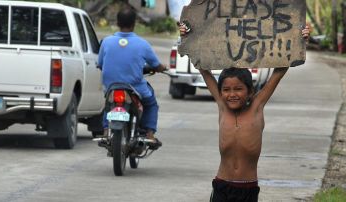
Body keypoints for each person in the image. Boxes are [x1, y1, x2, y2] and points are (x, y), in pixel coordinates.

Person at [179, 23, 310, 201]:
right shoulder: (222, 107)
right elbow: (203, 69)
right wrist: (187, 36)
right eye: (226, 90)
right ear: (220, 92)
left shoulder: (257, 107)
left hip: (247, 189)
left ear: (250, 91)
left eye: (238, 89)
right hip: (221, 186)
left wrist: (299, 41)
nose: (232, 94)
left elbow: (279, 71)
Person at [98, 7, 166, 149]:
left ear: (117, 22)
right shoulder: (143, 44)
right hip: (135, 87)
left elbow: (100, 64)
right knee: (151, 104)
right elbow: (156, 64)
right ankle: (149, 134)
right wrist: (161, 68)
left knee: (108, 104)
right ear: (134, 23)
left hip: (111, 87)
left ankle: (105, 131)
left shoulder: (106, 42)